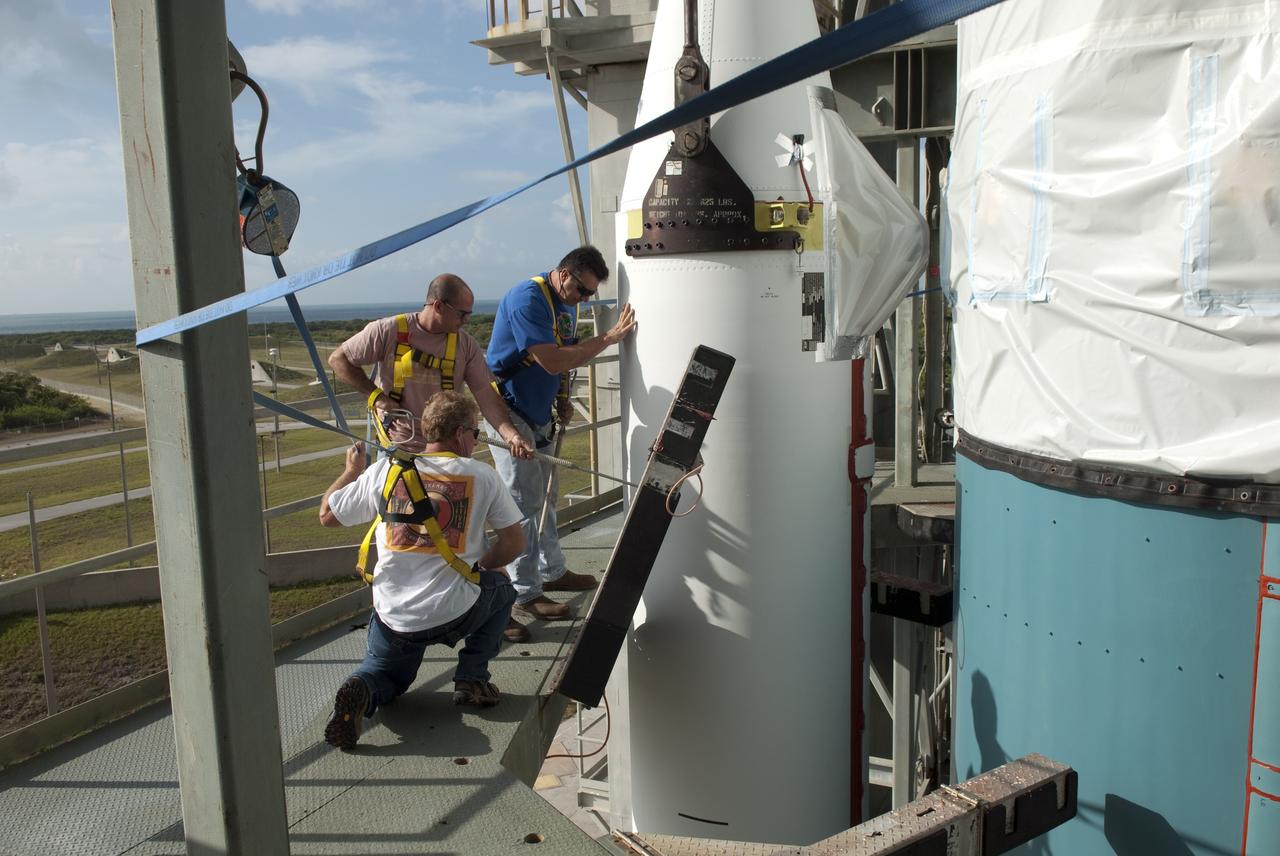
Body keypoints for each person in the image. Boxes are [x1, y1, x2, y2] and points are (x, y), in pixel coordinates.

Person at [319, 391, 525, 751]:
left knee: (388, 677)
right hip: (454, 612)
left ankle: (363, 687)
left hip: (393, 615)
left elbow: (328, 516)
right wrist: (481, 569)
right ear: (461, 434)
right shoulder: (481, 475)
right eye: (475, 434)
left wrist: (351, 470)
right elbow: (514, 543)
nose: (475, 442)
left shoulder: (386, 469)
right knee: (502, 589)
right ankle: (472, 679)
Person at [486, 246, 638, 639]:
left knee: (546, 497)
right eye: (582, 291)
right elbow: (553, 360)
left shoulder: (564, 302)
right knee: (522, 504)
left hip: (539, 415)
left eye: (589, 294)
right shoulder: (528, 299)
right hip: (510, 415)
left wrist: (563, 399)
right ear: (564, 273)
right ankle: (525, 592)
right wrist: (606, 338)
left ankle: (552, 572)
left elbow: (564, 358)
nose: (584, 299)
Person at [328, 273, 534, 459]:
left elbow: (485, 395)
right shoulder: (388, 331)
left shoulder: (465, 344)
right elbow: (338, 359)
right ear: (438, 306)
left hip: (445, 451)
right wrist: (377, 396)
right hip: (398, 449)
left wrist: (512, 436)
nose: (467, 320)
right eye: (462, 314)